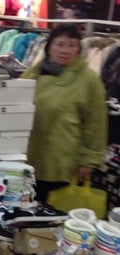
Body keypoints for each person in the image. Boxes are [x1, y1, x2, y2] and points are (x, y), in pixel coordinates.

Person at [21, 24, 108, 203]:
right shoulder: (34, 72)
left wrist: (89, 161)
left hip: (60, 161)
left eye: (72, 45)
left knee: (48, 210)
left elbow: (96, 124)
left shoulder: (89, 80)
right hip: (27, 156)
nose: (65, 50)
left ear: (79, 49)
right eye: (60, 44)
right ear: (49, 47)